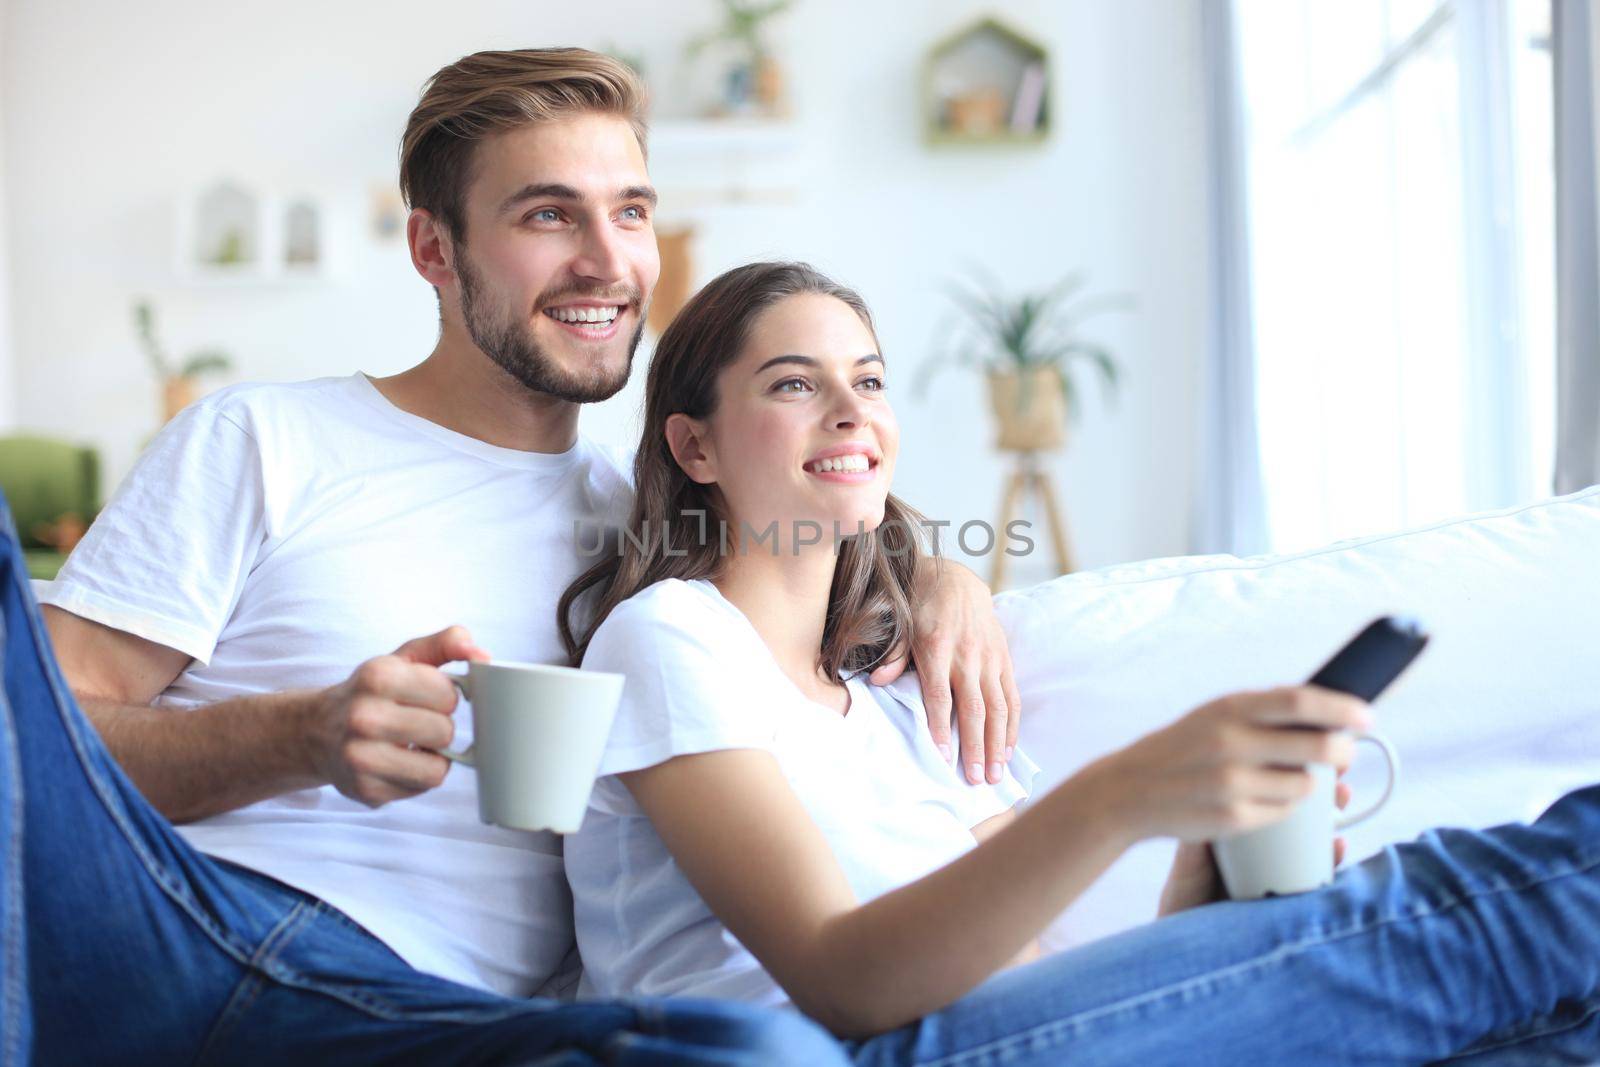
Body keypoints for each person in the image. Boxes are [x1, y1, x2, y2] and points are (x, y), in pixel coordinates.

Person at [23, 49, 1012, 1062]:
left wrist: (943, 579)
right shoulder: (265, 439)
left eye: (629, 212)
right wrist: (300, 735)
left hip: (487, 1014)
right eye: (548, 215)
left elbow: (822, 581)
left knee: (749, 1050)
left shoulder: (651, 535)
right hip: (238, 936)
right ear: (433, 249)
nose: (607, 259)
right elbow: (31, 750)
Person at [560, 260, 1600, 1065]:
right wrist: (1122, 793)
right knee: (1510, 891)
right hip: (865, 1048)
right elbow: (845, 980)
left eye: (869, 379)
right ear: (695, 448)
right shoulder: (671, 638)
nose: (851, 410)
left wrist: (1200, 871)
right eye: (795, 382)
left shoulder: (895, 699)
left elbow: (1047, 985)